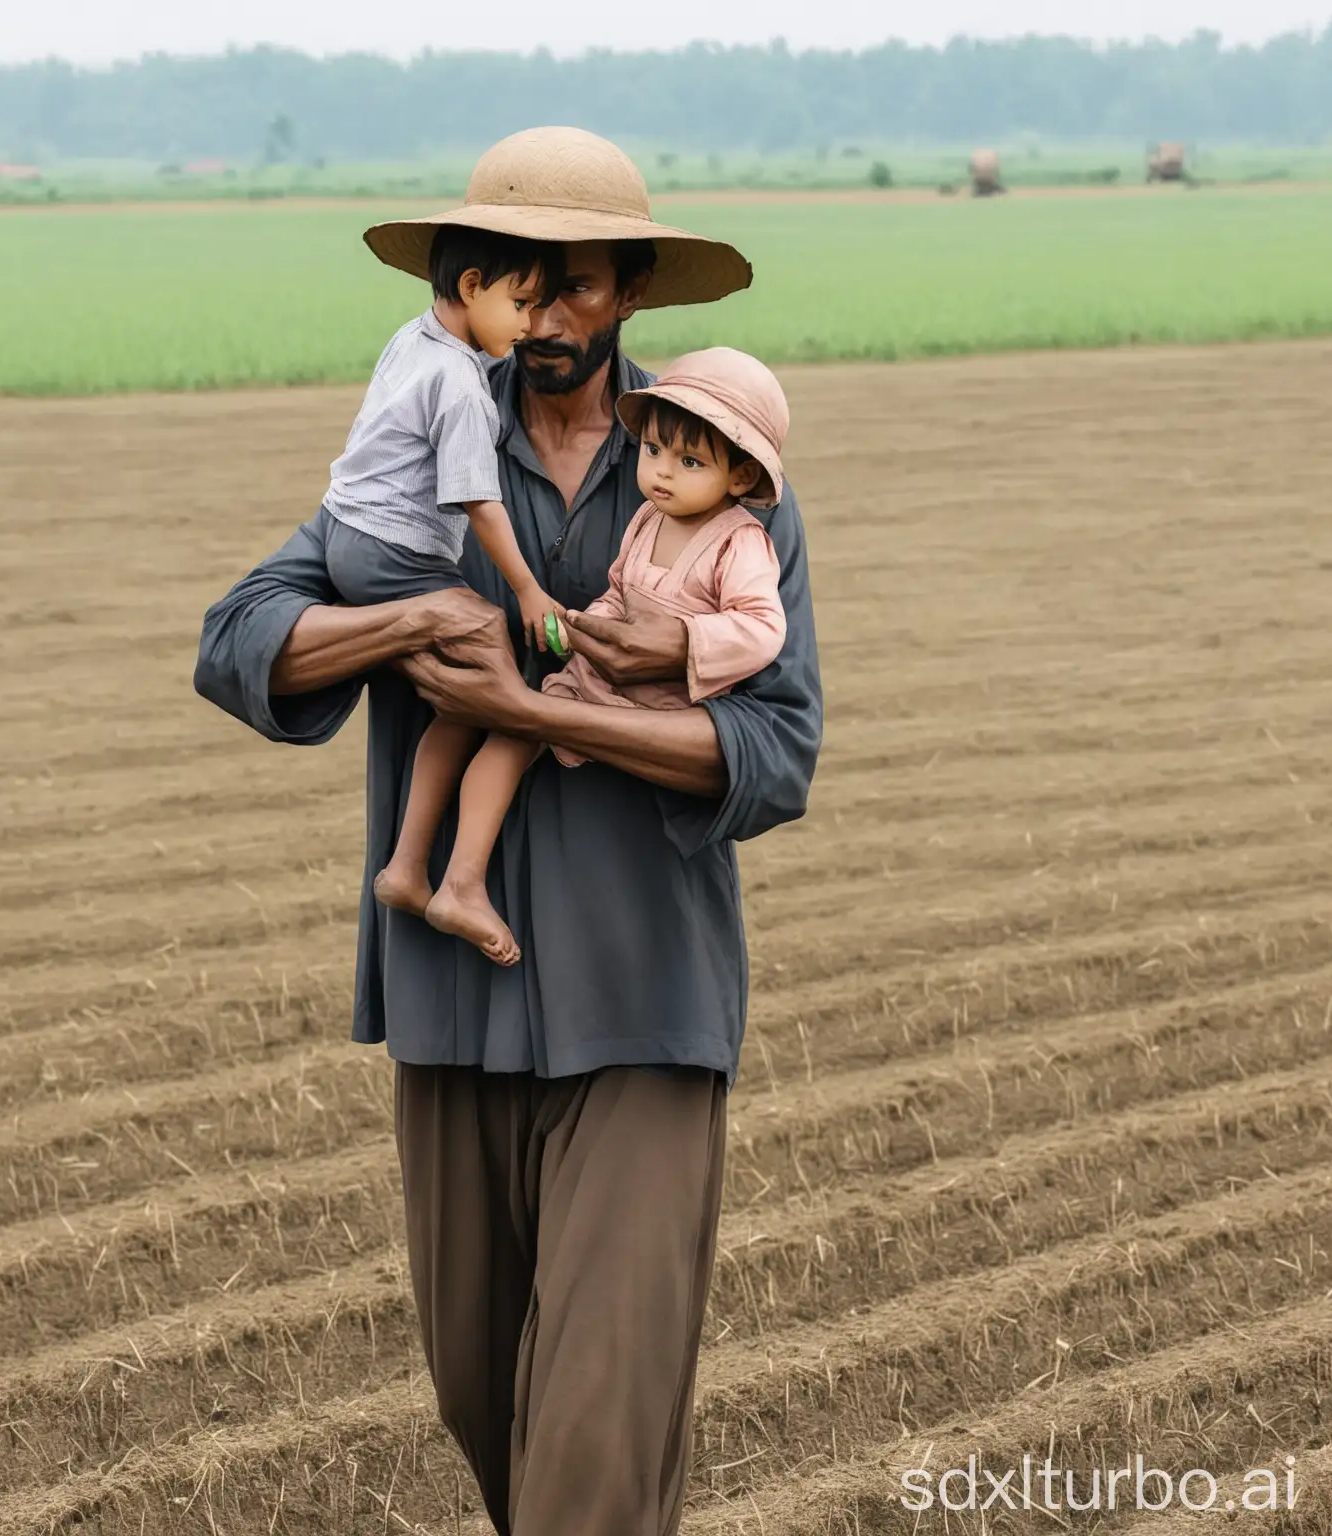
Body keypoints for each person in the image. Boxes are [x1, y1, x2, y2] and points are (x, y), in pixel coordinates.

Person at [194, 126, 823, 1536]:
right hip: (450, 1011)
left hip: (646, 1008)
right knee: (489, 1411)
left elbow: (776, 750)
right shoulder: (421, 437)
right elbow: (237, 642)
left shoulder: (721, 481)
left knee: (589, 1458)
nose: (547, 313)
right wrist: (415, 618)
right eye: (519, 280)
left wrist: (539, 709)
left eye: (581, 285)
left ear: (634, 291)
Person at [439, 346, 791, 966]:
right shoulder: (646, 522)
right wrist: (587, 628)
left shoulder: (741, 543)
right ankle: (461, 879)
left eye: (689, 461)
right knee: (510, 730)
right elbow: (617, 590)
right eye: (653, 451)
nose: (661, 473)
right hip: (598, 678)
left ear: (739, 477)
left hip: (662, 707)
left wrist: (686, 643)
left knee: (599, 765)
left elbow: (762, 628)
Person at [317, 223, 570, 964]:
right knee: (506, 690)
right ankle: (457, 881)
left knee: (460, 704)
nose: (531, 325)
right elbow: (478, 503)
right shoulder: (464, 385)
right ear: (470, 289)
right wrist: (528, 591)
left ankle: (404, 867)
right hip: (395, 552)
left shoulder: (412, 339)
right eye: (522, 303)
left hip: (347, 536)